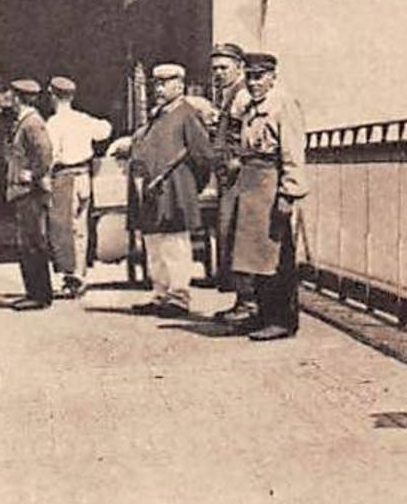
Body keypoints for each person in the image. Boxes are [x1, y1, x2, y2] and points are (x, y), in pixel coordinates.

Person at [227, 52, 308, 341]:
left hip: (271, 184)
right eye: (249, 76)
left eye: (259, 76)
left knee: (277, 254)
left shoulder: (282, 105)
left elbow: (292, 152)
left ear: (273, 76)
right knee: (255, 256)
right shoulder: (250, 105)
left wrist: (289, 192)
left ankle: (282, 320)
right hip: (252, 184)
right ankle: (262, 314)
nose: (253, 82)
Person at [128, 63, 212, 317]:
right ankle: (160, 292)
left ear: (180, 85)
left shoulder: (187, 114)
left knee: (175, 243)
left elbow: (202, 156)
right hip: (152, 190)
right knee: (154, 243)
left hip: (173, 188)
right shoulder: (158, 115)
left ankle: (178, 296)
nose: (160, 88)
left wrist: (187, 186)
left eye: (165, 83)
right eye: (157, 84)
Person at [44, 75, 111, 298]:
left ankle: (72, 277)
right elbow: (104, 130)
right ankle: (81, 273)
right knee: (81, 227)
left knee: (63, 228)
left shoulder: (54, 123)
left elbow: (51, 155)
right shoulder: (83, 119)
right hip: (85, 175)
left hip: (65, 176)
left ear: (53, 96)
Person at [207, 42, 256, 326]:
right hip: (228, 176)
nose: (218, 73)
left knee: (238, 235)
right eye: (215, 68)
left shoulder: (242, 95)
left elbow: (248, 132)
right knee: (229, 234)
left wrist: (236, 157)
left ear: (239, 66)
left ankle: (249, 302)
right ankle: (241, 299)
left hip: (240, 177)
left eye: (224, 67)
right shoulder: (229, 95)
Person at [4, 79, 55, 310]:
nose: (9, 100)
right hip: (23, 192)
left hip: (30, 193)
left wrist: (33, 174)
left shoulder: (32, 123)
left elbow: (44, 153)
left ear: (19, 98)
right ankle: (34, 292)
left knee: (32, 242)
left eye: (12, 96)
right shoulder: (24, 122)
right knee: (27, 242)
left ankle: (39, 295)